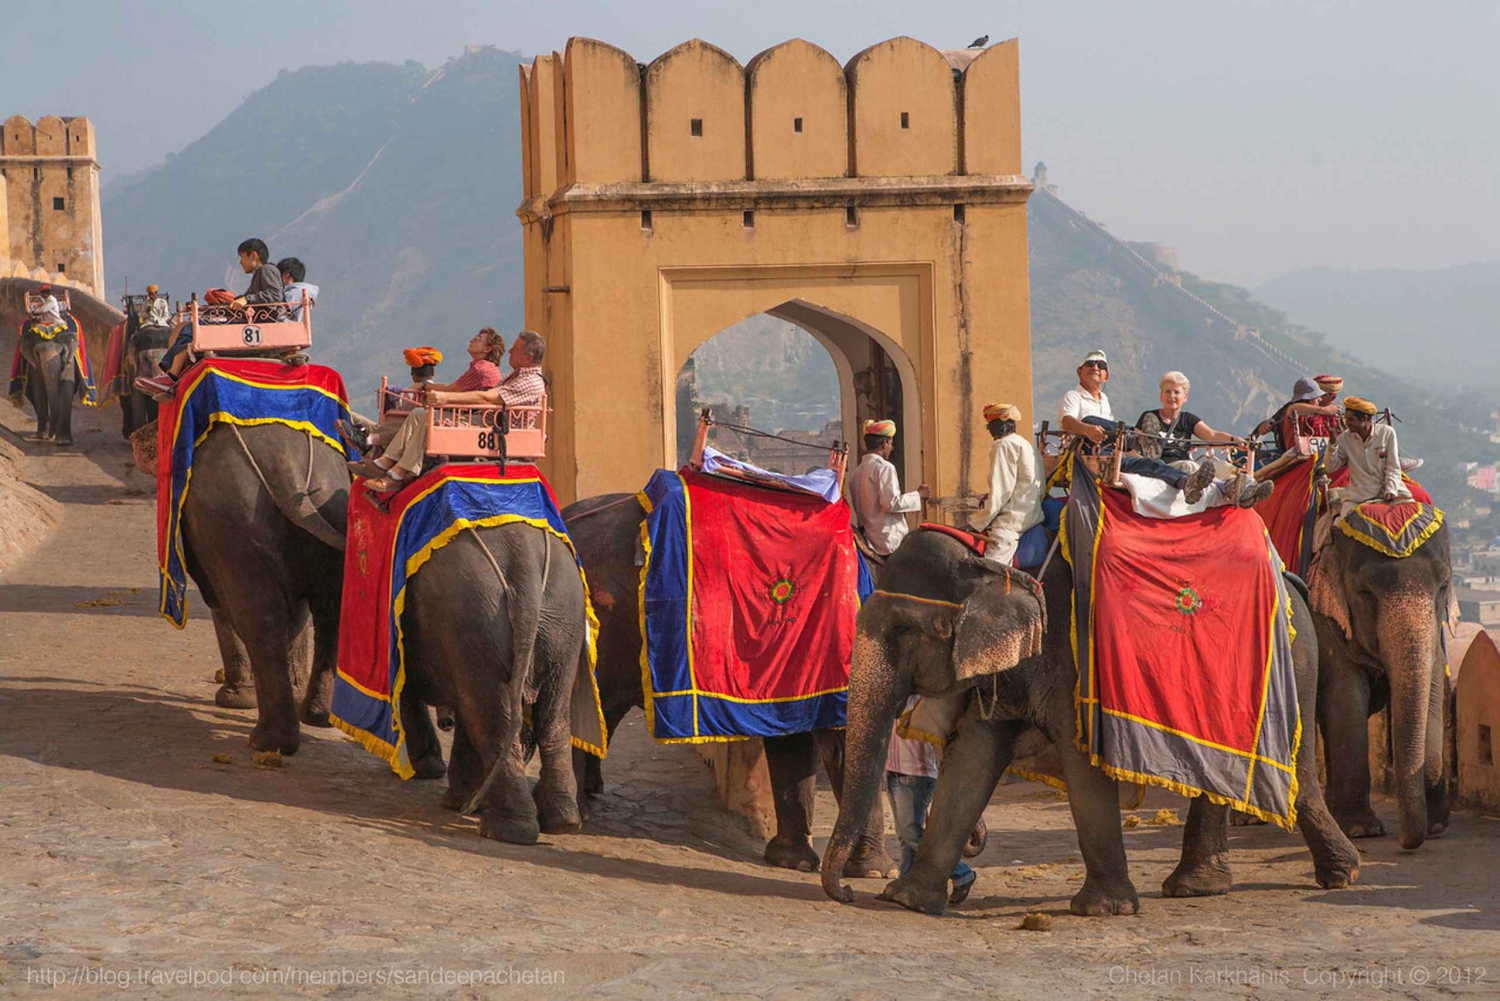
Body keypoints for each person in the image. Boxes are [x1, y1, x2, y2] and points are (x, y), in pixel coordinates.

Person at [356, 331, 547, 493]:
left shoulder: (522, 379)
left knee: (430, 418)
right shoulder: (512, 374)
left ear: (528, 357)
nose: (511, 352)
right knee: (418, 415)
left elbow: (484, 397)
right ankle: (386, 461)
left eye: (516, 349)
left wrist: (443, 398)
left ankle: (395, 470)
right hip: (484, 418)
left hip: (493, 427)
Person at [1057, 350, 1216, 502]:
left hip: (1110, 455)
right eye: (1090, 364)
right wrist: (1087, 429)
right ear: (1079, 371)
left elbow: (1212, 434)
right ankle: (1138, 436)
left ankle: (1186, 482)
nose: (1095, 368)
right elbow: (1067, 422)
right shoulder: (1073, 396)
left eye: (1101, 366)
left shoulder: (1103, 400)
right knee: (1090, 419)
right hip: (1085, 453)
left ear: (1106, 376)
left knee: (1152, 464)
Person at [137, 238, 286, 396]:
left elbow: (275, 295)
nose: (240, 262)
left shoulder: (267, 270)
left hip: (257, 322)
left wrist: (248, 299)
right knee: (197, 324)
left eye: (242, 257)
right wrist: (208, 309)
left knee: (192, 329)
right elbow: (241, 302)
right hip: (250, 319)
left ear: (253, 255)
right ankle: (171, 374)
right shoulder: (258, 276)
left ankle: (170, 376)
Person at [886, 697, 976, 905]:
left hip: (916, 776)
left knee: (912, 834)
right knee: (905, 836)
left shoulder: (923, 701)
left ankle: (962, 873)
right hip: (893, 775)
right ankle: (905, 882)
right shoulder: (894, 697)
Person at [969, 403, 1043, 565]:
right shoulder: (1027, 445)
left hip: (1009, 526)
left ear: (994, 427)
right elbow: (1039, 487)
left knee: (988, 575)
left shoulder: (1003, 445)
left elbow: (1001, 492)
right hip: (1032, 517)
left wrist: (976, 523)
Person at [1321, 396, 1411, 520]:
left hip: (1390, 493)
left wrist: (1391, 489)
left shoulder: (1387, 432)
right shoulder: (1344, 438)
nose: (1347, 423)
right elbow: (1330, 467)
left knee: (1414, 523)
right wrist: (1332, 442)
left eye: (1351, 419)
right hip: (1358, 497)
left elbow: (1393, 467)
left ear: (1364, 419)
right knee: (1342, 527)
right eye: (1346, 418)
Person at [847, 419, 928, 556]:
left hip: (868, 536)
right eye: (890, 443)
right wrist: (918, 495)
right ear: (884, 443)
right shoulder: (884, 467)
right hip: (888, 540)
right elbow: (891, 503)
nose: (891, 448)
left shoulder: (856, 473)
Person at [1134, 371, 1238, 467]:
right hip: (1160, 466)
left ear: (1185, 397)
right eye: (1167, 392)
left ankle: (1228, 484)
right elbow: (1132, 445)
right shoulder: (1149, 417)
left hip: (1181, 464)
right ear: (1161, 396)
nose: (1172, 396)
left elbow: (1212, 435)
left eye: (1176, 392)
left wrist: (1235, 440)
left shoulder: (1188, 419)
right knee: (1190, 467)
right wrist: (1146, 465)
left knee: (1223, 468)